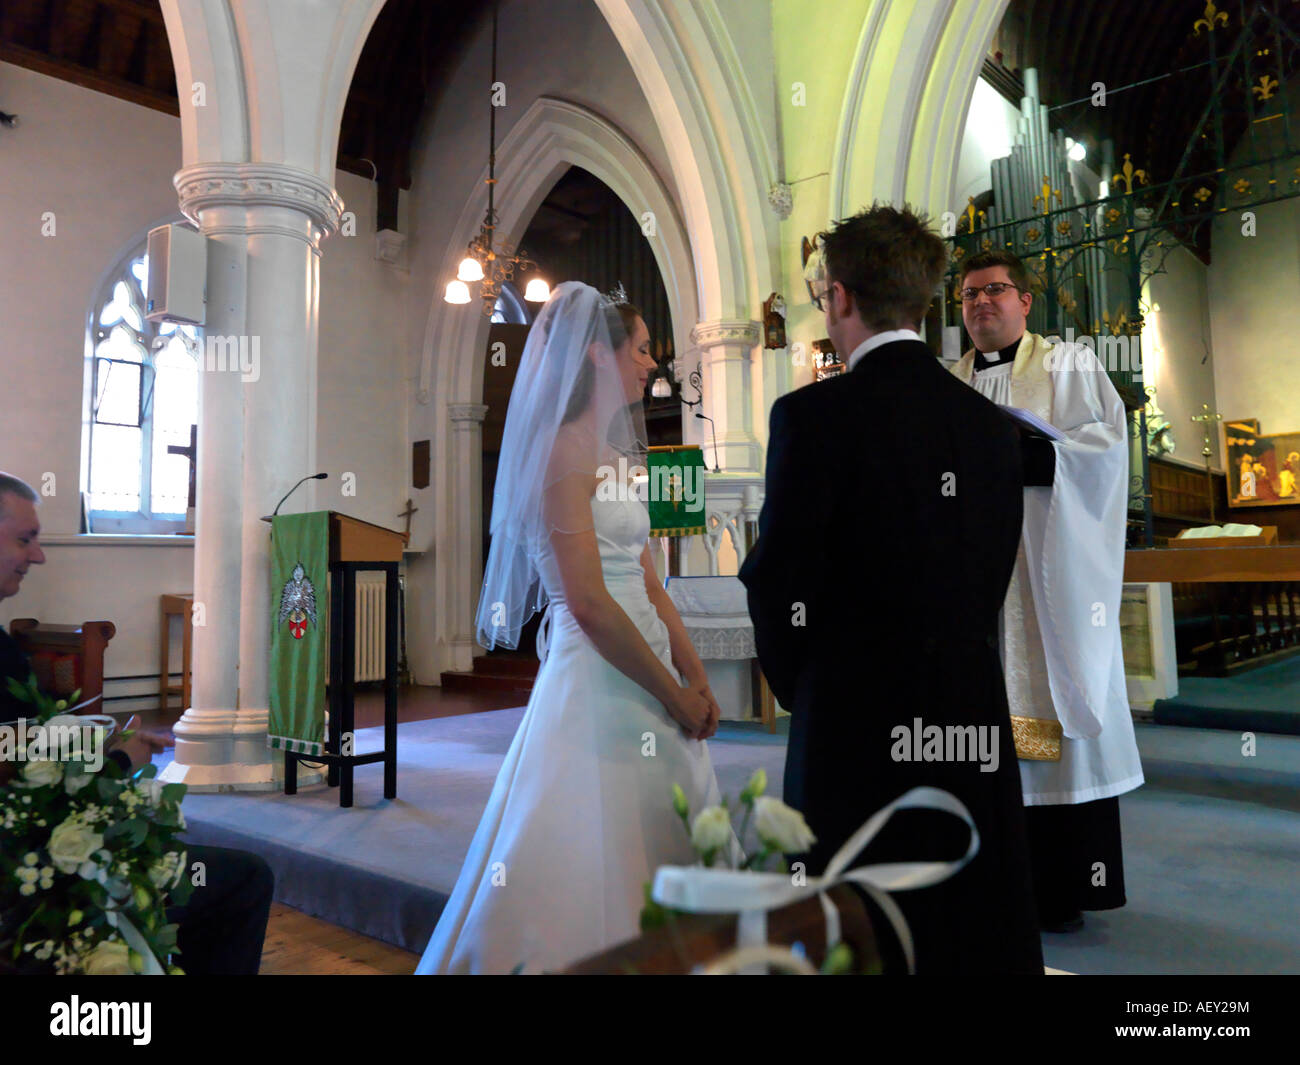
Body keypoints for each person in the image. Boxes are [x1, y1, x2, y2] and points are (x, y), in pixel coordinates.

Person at [738, 205, 1043, 974]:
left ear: (840, 296)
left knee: (861, 925)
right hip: (969, 707)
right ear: (924, 298)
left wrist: (807, 687)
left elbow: (777, 578)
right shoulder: (990, 425)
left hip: (851, 717)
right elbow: (992, 566)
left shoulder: (811, 416)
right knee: (964, 924)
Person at [417, 283, 733, 974]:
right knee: (594, 837)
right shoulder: (561, 453)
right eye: (641, 349)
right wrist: (673, 695)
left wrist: (694, 672)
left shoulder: (620, 456)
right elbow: (588, 602)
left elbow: (649, 581)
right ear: (596, 353)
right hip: (596, 668)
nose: (652, 363)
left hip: (652, 664)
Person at [0, 471, 274, 974]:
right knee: (244, 878)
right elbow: (18, 777)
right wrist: (122, 762)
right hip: (25, 878)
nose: (38, 556)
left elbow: (16, 743)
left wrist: (101, 743)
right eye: (25, 539)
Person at [950, 250, 1144, 933]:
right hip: (977, 589)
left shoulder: (1069, 365)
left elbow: (1106, 450)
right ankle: (996, 883)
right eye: (969, 294)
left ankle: (1061, 886)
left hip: (1046, 582)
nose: (981, 302)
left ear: (1026, 302)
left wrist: (1031, 455)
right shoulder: (949, 381)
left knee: (1049, 717)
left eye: (995, 290)